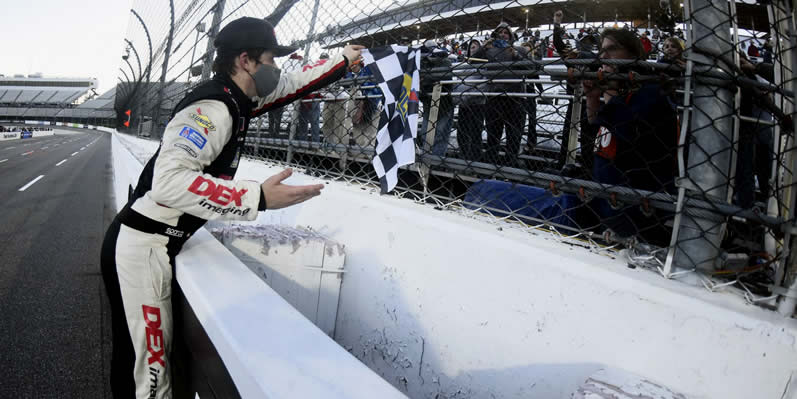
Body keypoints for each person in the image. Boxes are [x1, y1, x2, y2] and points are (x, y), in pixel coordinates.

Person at [100, 16, 364, 398]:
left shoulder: (240, 98)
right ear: (246, 61)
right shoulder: (213, 107)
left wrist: (343, 59)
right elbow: (169, 182)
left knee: (148, 365)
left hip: (157, 243)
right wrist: (256, 197)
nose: (277, 68)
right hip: (142, 247)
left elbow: (291, 84)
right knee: (150, 375)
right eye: (272, 59)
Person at [582, 28, 678, 242]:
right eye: (601, 50)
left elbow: (630, 138)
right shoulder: (621, 91)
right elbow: (599, 129)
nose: (603, 57)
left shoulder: (650, 91)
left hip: (639, 212)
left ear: (633, 54)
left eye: (612, 49)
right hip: (608, 202)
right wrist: (592, 99)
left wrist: (611, 95)